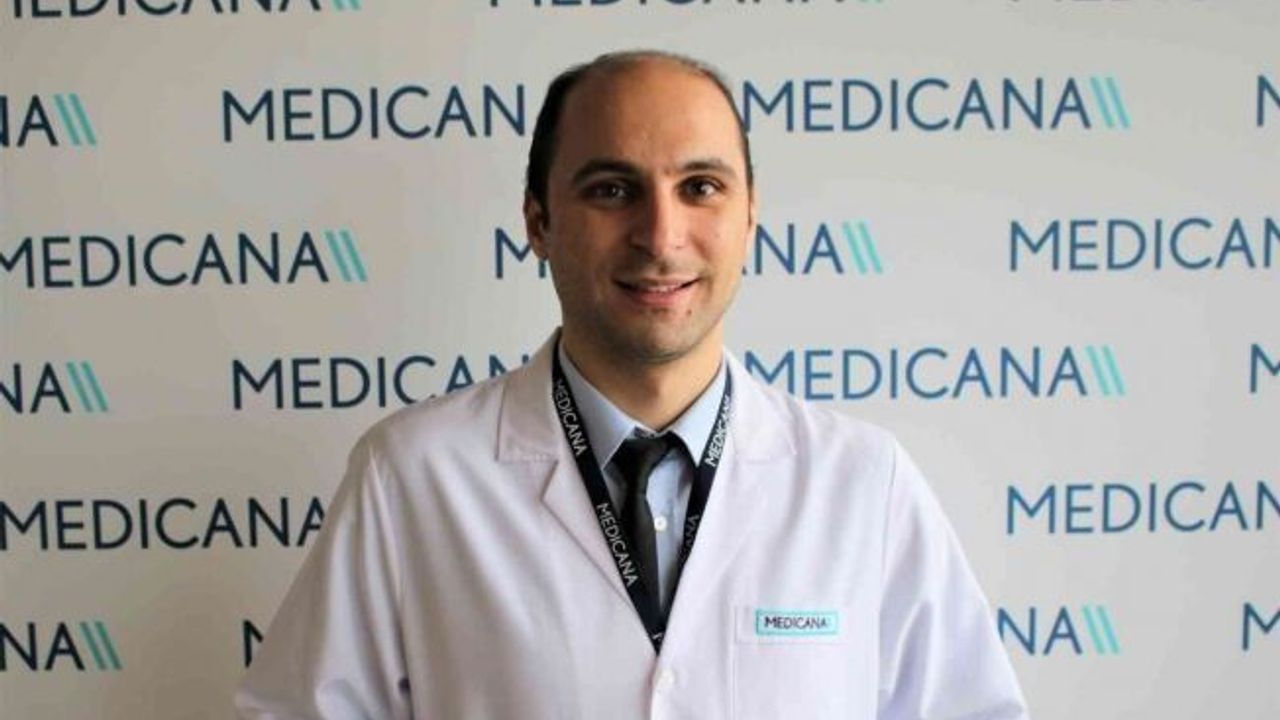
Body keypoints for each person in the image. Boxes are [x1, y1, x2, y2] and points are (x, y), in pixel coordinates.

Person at [235, 50, 1030, 719]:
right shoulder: (415, 475)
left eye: (701, 187)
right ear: (539, 222)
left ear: (750, 217)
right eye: (611, 190)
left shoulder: (861, 482)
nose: (660, 235)